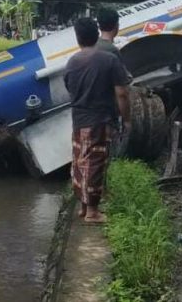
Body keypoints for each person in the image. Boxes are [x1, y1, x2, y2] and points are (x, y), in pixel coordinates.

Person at [64, 18, 131, 224]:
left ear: (78, 38)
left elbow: (69, 87)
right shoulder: (108, 60)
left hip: (78, 119)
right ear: (96, 34)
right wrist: (126, 119)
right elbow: (122, 94)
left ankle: (84, 207)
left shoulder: (72, 61)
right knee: (95, 162)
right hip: (99, 120)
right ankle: (92, 212)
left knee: (80, 161)